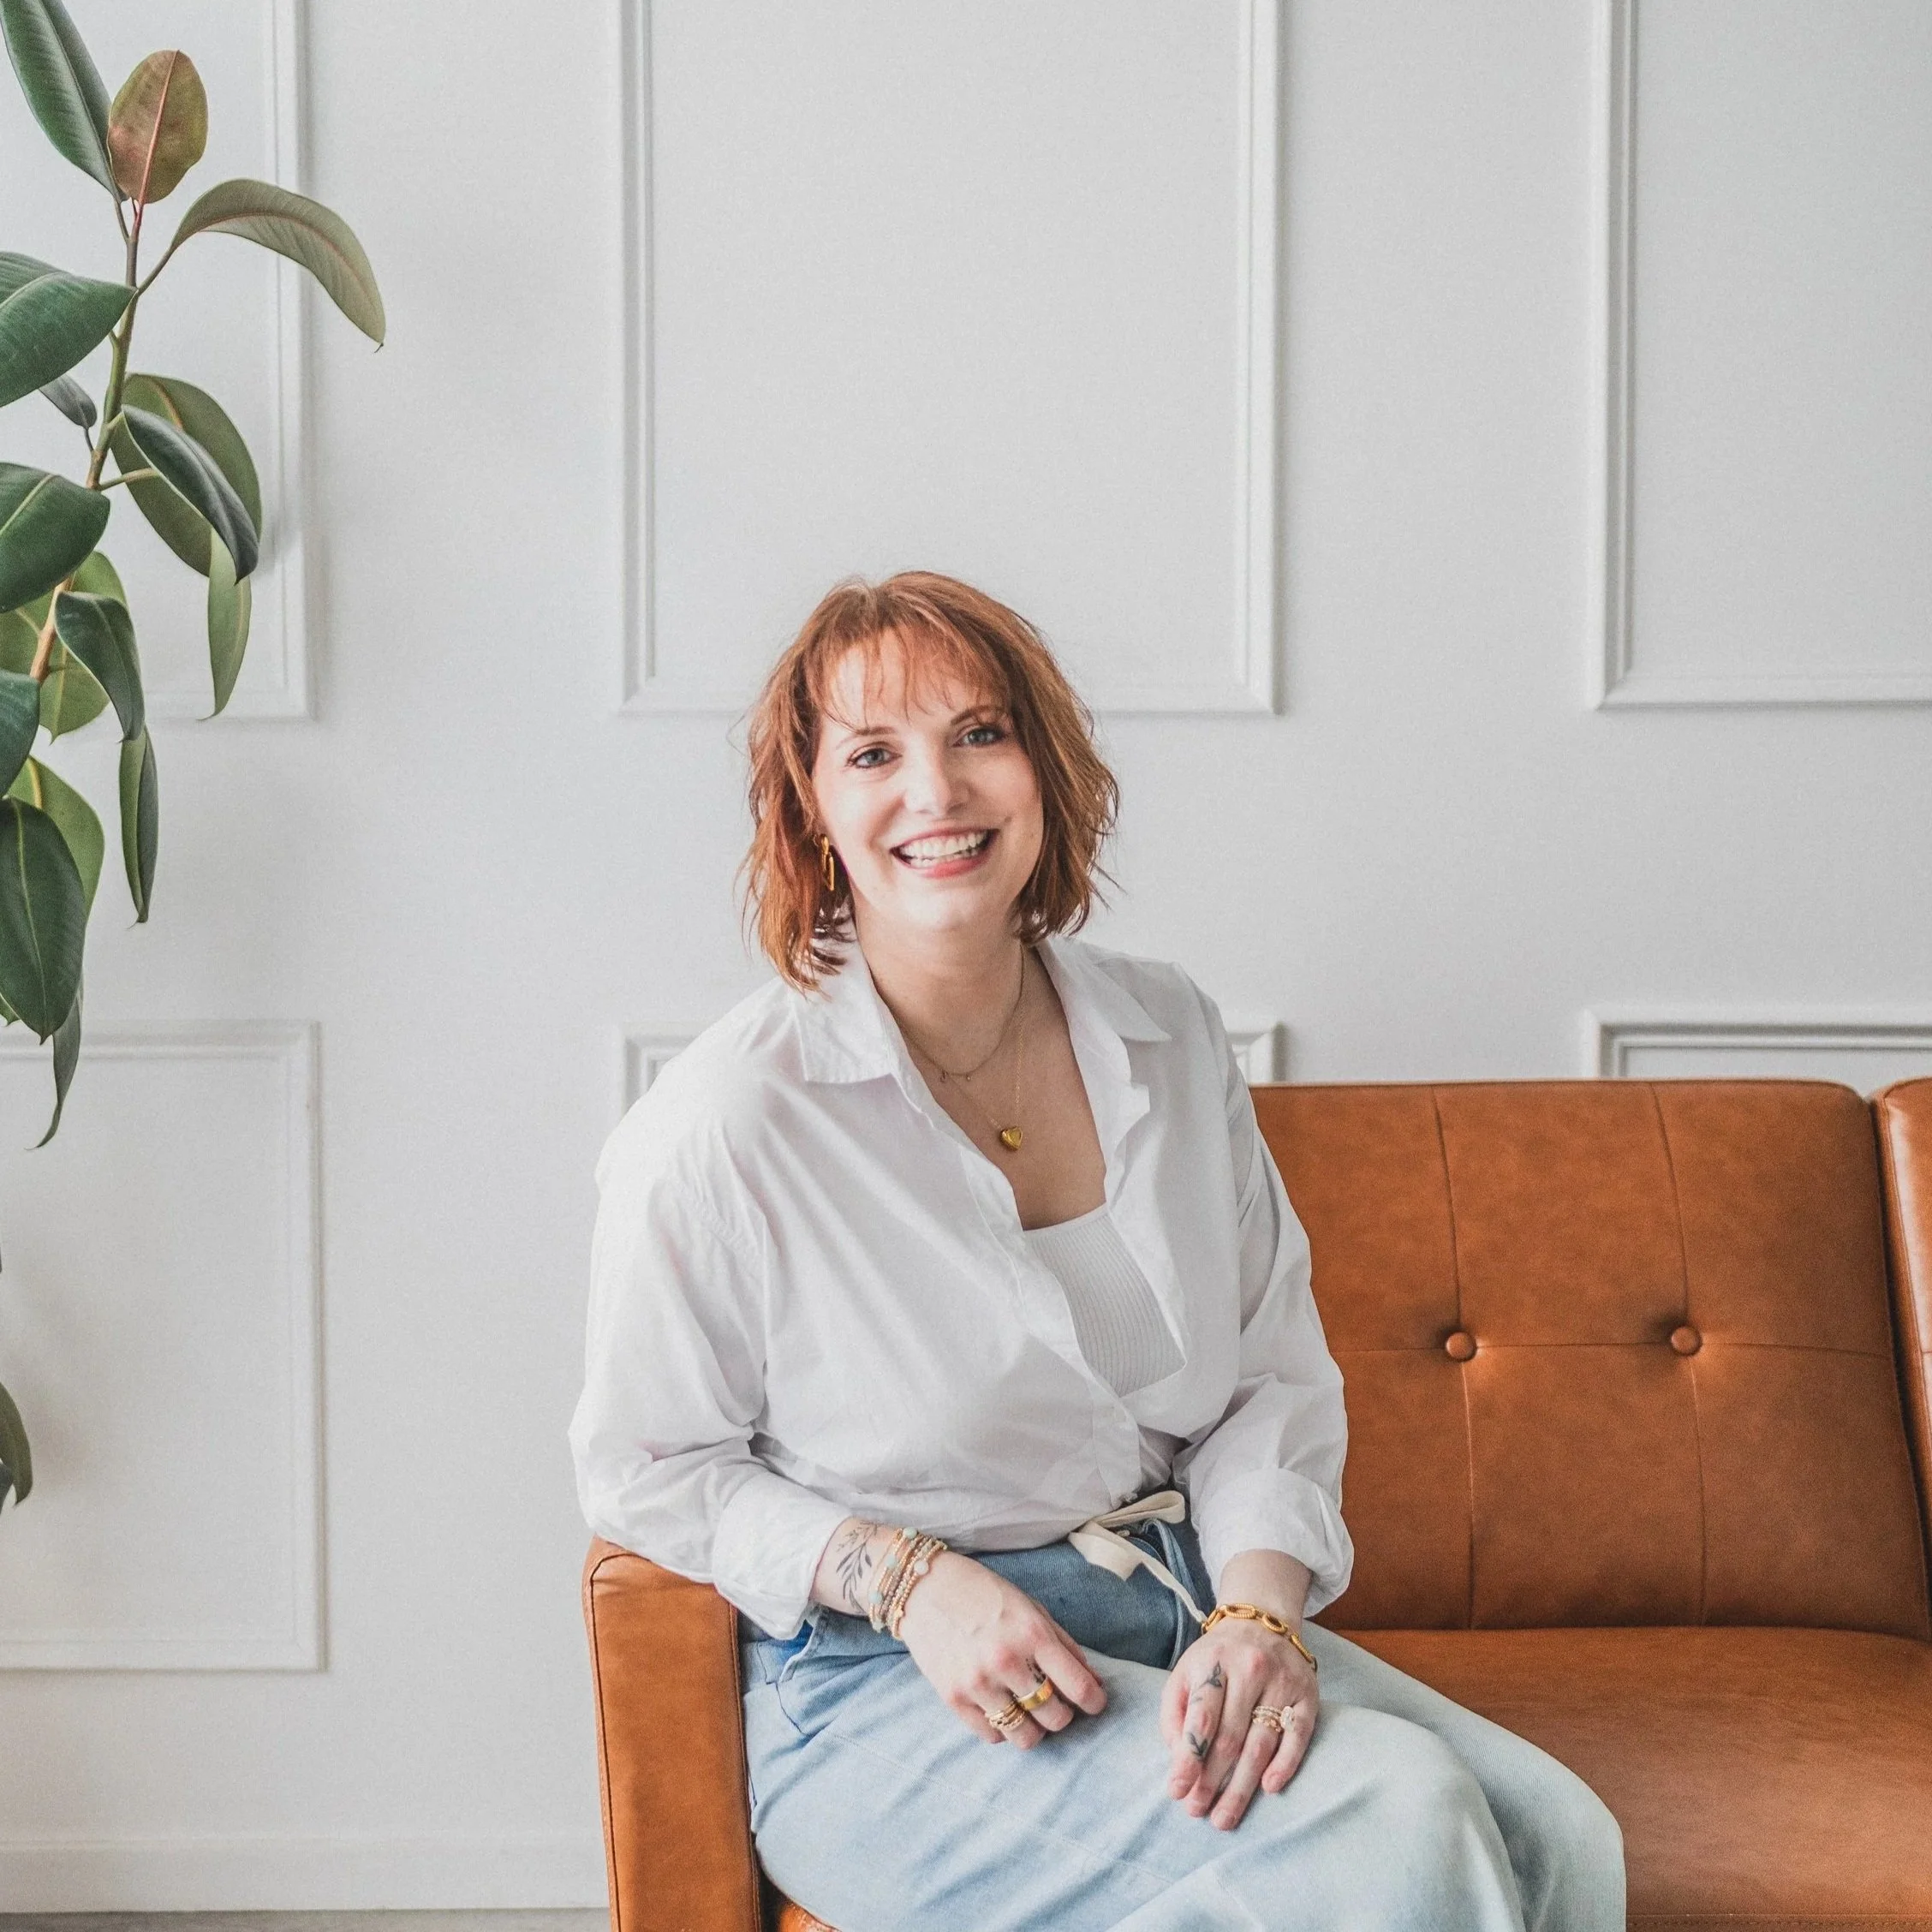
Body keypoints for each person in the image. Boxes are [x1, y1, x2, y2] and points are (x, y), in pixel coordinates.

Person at [569, 571, 1625, 1930]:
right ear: (811, 809)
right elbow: (646, 1470)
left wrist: (1257, 1618)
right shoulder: (725, 1122)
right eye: (876, 754)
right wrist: (908, 1581)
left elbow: (1268, 1378)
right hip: (898, 1688)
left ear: (1045, 775)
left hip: (1183, 1617)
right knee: (1396, 1826)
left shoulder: (1170, 1037)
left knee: (1557, 1835)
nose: (937, 792)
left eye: (981, 734)